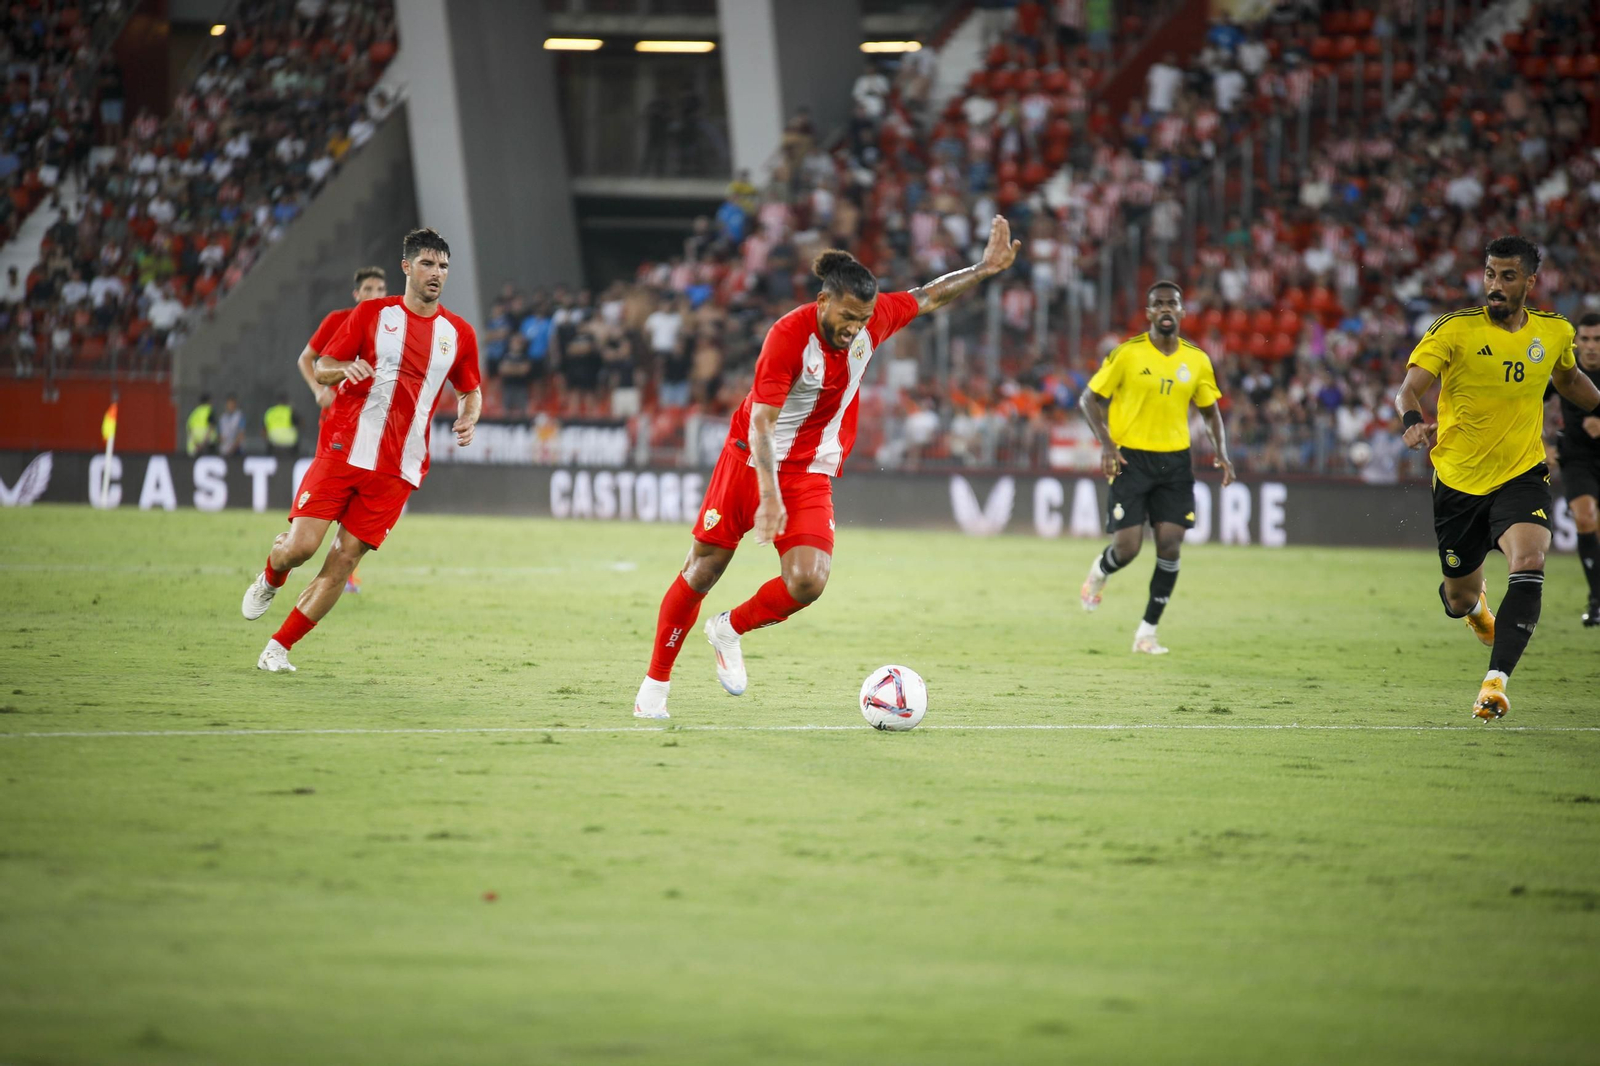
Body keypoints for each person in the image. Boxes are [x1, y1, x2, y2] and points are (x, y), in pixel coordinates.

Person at [632, 218, 1021, 720]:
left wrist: (984, 269)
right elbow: (763, 425)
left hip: (809, 470)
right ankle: (654, 689)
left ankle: (728, 629)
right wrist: (769, 497)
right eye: (848, 316)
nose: (856, 327)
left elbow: (928, 296)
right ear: (822, 302)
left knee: (808, 581)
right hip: (749, 459)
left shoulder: (873, 320)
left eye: (863, 319)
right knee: (703, 570)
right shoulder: (787, 337)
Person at [240, 228, 482, 673]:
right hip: (343, 449)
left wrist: (469, 416)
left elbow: (471, 390)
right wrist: (343, 369)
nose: (437, 273)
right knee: (301, 548)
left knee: (344, 559)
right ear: (406, 267)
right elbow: (322, 365)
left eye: (444, 266)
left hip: (398, 468)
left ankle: (278, 647)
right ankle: (272, 576)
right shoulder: (371, 313)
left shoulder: (459, 333)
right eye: (428, 264)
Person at [1395, 236, 1600, 719]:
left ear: (1530, 281)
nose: (1495, 285)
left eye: (1507, 276)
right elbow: (1408, 389)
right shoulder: (1454, 329)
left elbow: (1569, 380)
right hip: (1458, 483)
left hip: (1522, 474)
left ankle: (1495, 684)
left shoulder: (1554, 332)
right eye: (1490, 274)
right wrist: (1412, 422)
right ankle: (1476, 611)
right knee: (1457, 597)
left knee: (1529, 559)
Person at [1077, 281, 1235, 654]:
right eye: (1158, 304)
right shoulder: (1127, 354)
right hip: (1130, 459)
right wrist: (1107, 443)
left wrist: (1222, 452)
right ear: (1149, 312)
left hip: (1175, 462)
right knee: (1127, 549)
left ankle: (1147, 633)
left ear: (1182, 312)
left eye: (1172, 303)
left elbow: (1210, 412)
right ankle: (1099, 573)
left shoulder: (1197, 360)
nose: (1166, 309)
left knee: (1170, 546)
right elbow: (1088, 399)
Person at [295, 265, 389, 593]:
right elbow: (306, 358)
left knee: (357, 502)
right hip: (336, 425)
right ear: (356, 294)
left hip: (373, 428)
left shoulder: (393, 328)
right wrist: (318, 390)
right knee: (331, 496)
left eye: (380, 290)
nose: (375, 295)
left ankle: (342, 573)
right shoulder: (339, 320)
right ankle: (297, 546)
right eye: (369, 290)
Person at [1549, 311, 1600, 626]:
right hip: (1577, 460)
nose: (1591, 346)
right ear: (1576, 341)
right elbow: (1528, 401)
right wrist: (1543, 444)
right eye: (1586, 339)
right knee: (1584, 518)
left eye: (1598, 339)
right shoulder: (1565, 370)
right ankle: (1596, 602)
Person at [262, 394, 300, 458]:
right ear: (286, 402)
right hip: (289, 445)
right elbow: (301, 424)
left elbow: (263, 431)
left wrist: (267, 441)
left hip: (274, 444)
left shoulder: (270, 412)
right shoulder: (290, 411)